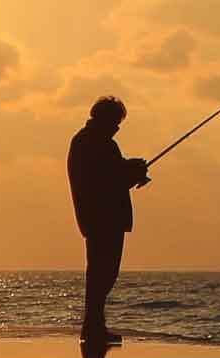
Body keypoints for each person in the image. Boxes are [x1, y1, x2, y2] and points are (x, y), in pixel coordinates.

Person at [67, 96, 149, 344]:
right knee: (104, 273)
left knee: (101, 274)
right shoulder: (97, 143)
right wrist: (133, 171)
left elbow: (111, 173)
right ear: (105, 119)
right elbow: (108, 180)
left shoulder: (87, 141)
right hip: (104, 218)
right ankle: (93, 328)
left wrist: (132, 170)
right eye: (115, 121)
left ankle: (95, 327)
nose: (117, 127)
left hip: (96, 218)